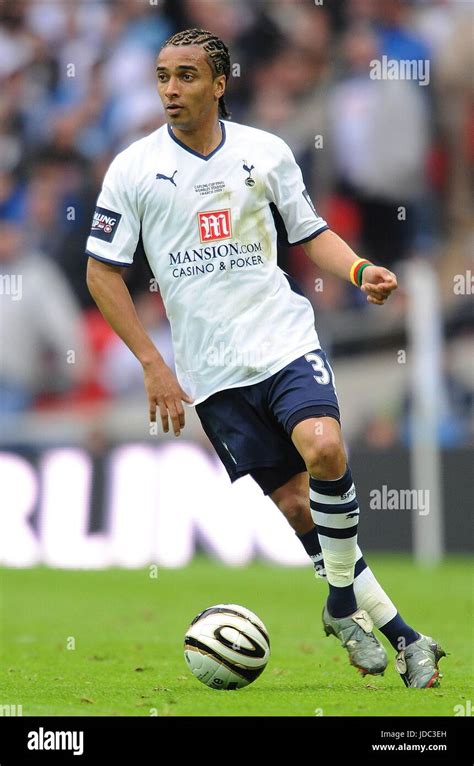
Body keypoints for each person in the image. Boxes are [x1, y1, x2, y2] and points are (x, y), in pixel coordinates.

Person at [85, 28, 445, 688]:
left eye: (187, 76)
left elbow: (313, 234)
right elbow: (102, 273)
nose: (171, 88)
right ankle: (404, 636)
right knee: (301, 511)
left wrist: (360, 268)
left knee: (326, 448)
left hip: (282, 341)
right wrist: (151, 363)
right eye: (163, 76)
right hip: (213, 373)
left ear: (219, 84)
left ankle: (340, 605)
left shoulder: (265, 154)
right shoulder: (132, 170)